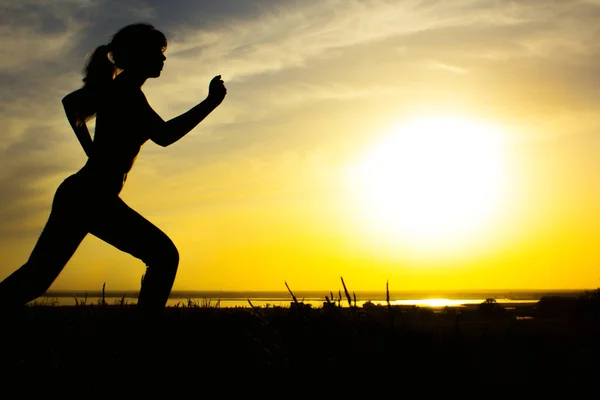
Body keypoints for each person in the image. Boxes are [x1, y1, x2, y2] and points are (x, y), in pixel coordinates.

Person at [0, 23, 227, 313]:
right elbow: (165, 136)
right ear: (138, 55)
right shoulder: (126, 93)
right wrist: (210, 102)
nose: (164, 59)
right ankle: (141, 339)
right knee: (163, 256)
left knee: (35, 278)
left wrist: (91, 151)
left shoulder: (119, 90)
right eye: (158, 51)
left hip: (83, 194)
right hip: (91, 197)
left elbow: (70, 103)